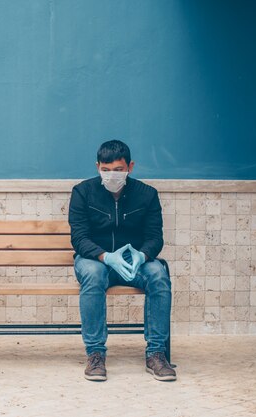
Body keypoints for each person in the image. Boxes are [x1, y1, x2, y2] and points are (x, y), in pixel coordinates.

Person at [68, 140, 176, 382]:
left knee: (159, 275)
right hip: (95, 259)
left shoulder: (147, 194)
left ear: (130, 167)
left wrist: (143, 255)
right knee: (94, 276)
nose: (112, 175)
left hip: (136, 262)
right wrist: (106, 256)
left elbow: (155, 237)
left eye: (118, 169)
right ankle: (95, 354)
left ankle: (156, 353)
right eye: (105, 170)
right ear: (97, 167)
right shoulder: (82, 192)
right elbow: (79, 238)